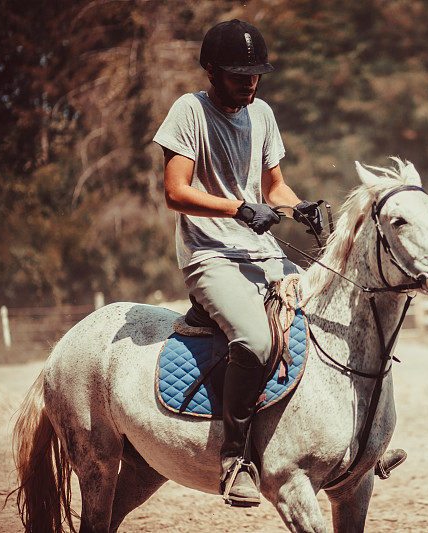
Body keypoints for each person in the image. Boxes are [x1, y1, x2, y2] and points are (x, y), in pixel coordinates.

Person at [153, 19, 322, 507]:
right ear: (210, 69)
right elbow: (175, 192)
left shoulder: (263, 114)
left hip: (263, 254)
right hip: (211, 255)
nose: (250, 82)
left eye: (256, 74)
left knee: (329, 318)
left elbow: (274, 189)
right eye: (238, 74)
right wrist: (237, 208)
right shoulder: (189, 112)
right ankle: (236, 460)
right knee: (256, 339)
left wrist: (297, 207)